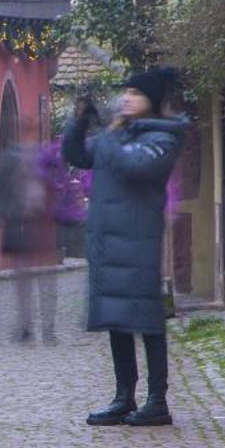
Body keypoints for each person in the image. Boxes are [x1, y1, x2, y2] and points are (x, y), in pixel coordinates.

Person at [62, 67, 188, 426]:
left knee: (147, 320)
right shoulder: (120, 136)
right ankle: (124, 396)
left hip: (137, 239)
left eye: (136, 93)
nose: (127, 97)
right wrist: (79, 120)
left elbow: (136, 167)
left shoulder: (164, 137)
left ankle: (157, 399)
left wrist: (110, 136)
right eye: (126, 92)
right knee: (117, 319)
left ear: (152, 101)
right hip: (108, 240)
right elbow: (78, 155)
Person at [0, 122, 54, 343]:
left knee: (38, 276)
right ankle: (30, 325)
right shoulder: (11, 158)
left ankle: (42, 325)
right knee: (26, 276)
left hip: (39, 221)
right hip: (21, 220)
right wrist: (4, 212)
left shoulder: (45, 157)